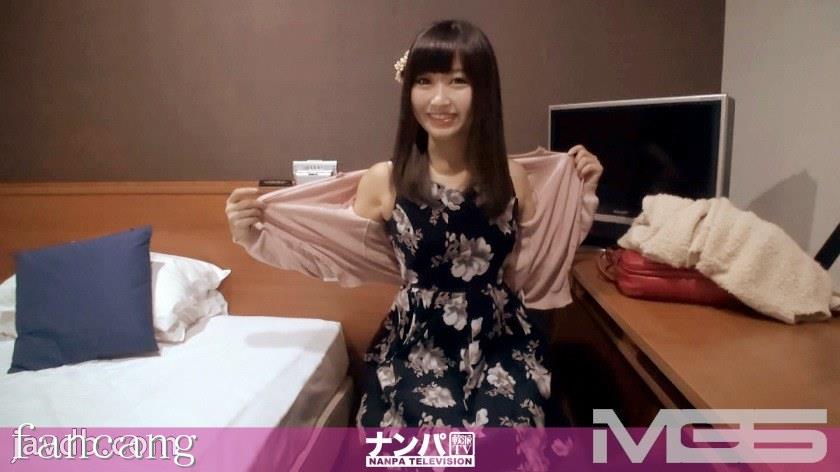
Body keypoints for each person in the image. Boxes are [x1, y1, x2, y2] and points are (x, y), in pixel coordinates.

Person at [225, 20, 602, 429]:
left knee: (502, 443)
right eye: (424, 81)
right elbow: (330, 248)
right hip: (416, 345)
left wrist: (580, 189)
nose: (439, 99)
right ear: (409, 90)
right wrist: (255, 232)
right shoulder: (384, 181)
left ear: (483, 90)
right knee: (421, 445)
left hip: (501, 343)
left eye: (458, 81)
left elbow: (538, 257)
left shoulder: (512, 178)